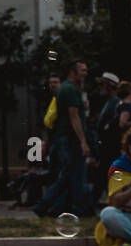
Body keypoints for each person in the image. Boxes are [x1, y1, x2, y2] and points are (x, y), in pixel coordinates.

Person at [35, 59, 92, 218]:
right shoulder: (70, 90)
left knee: (70, 174)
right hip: (70, 139)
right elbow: (74, 117)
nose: (85, 73)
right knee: (71, 174)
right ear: (73, 71)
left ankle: (78, 208)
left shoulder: (65, 89)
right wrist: (83, 141)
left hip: (65, 139)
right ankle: (46, 205)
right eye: (82, 70)